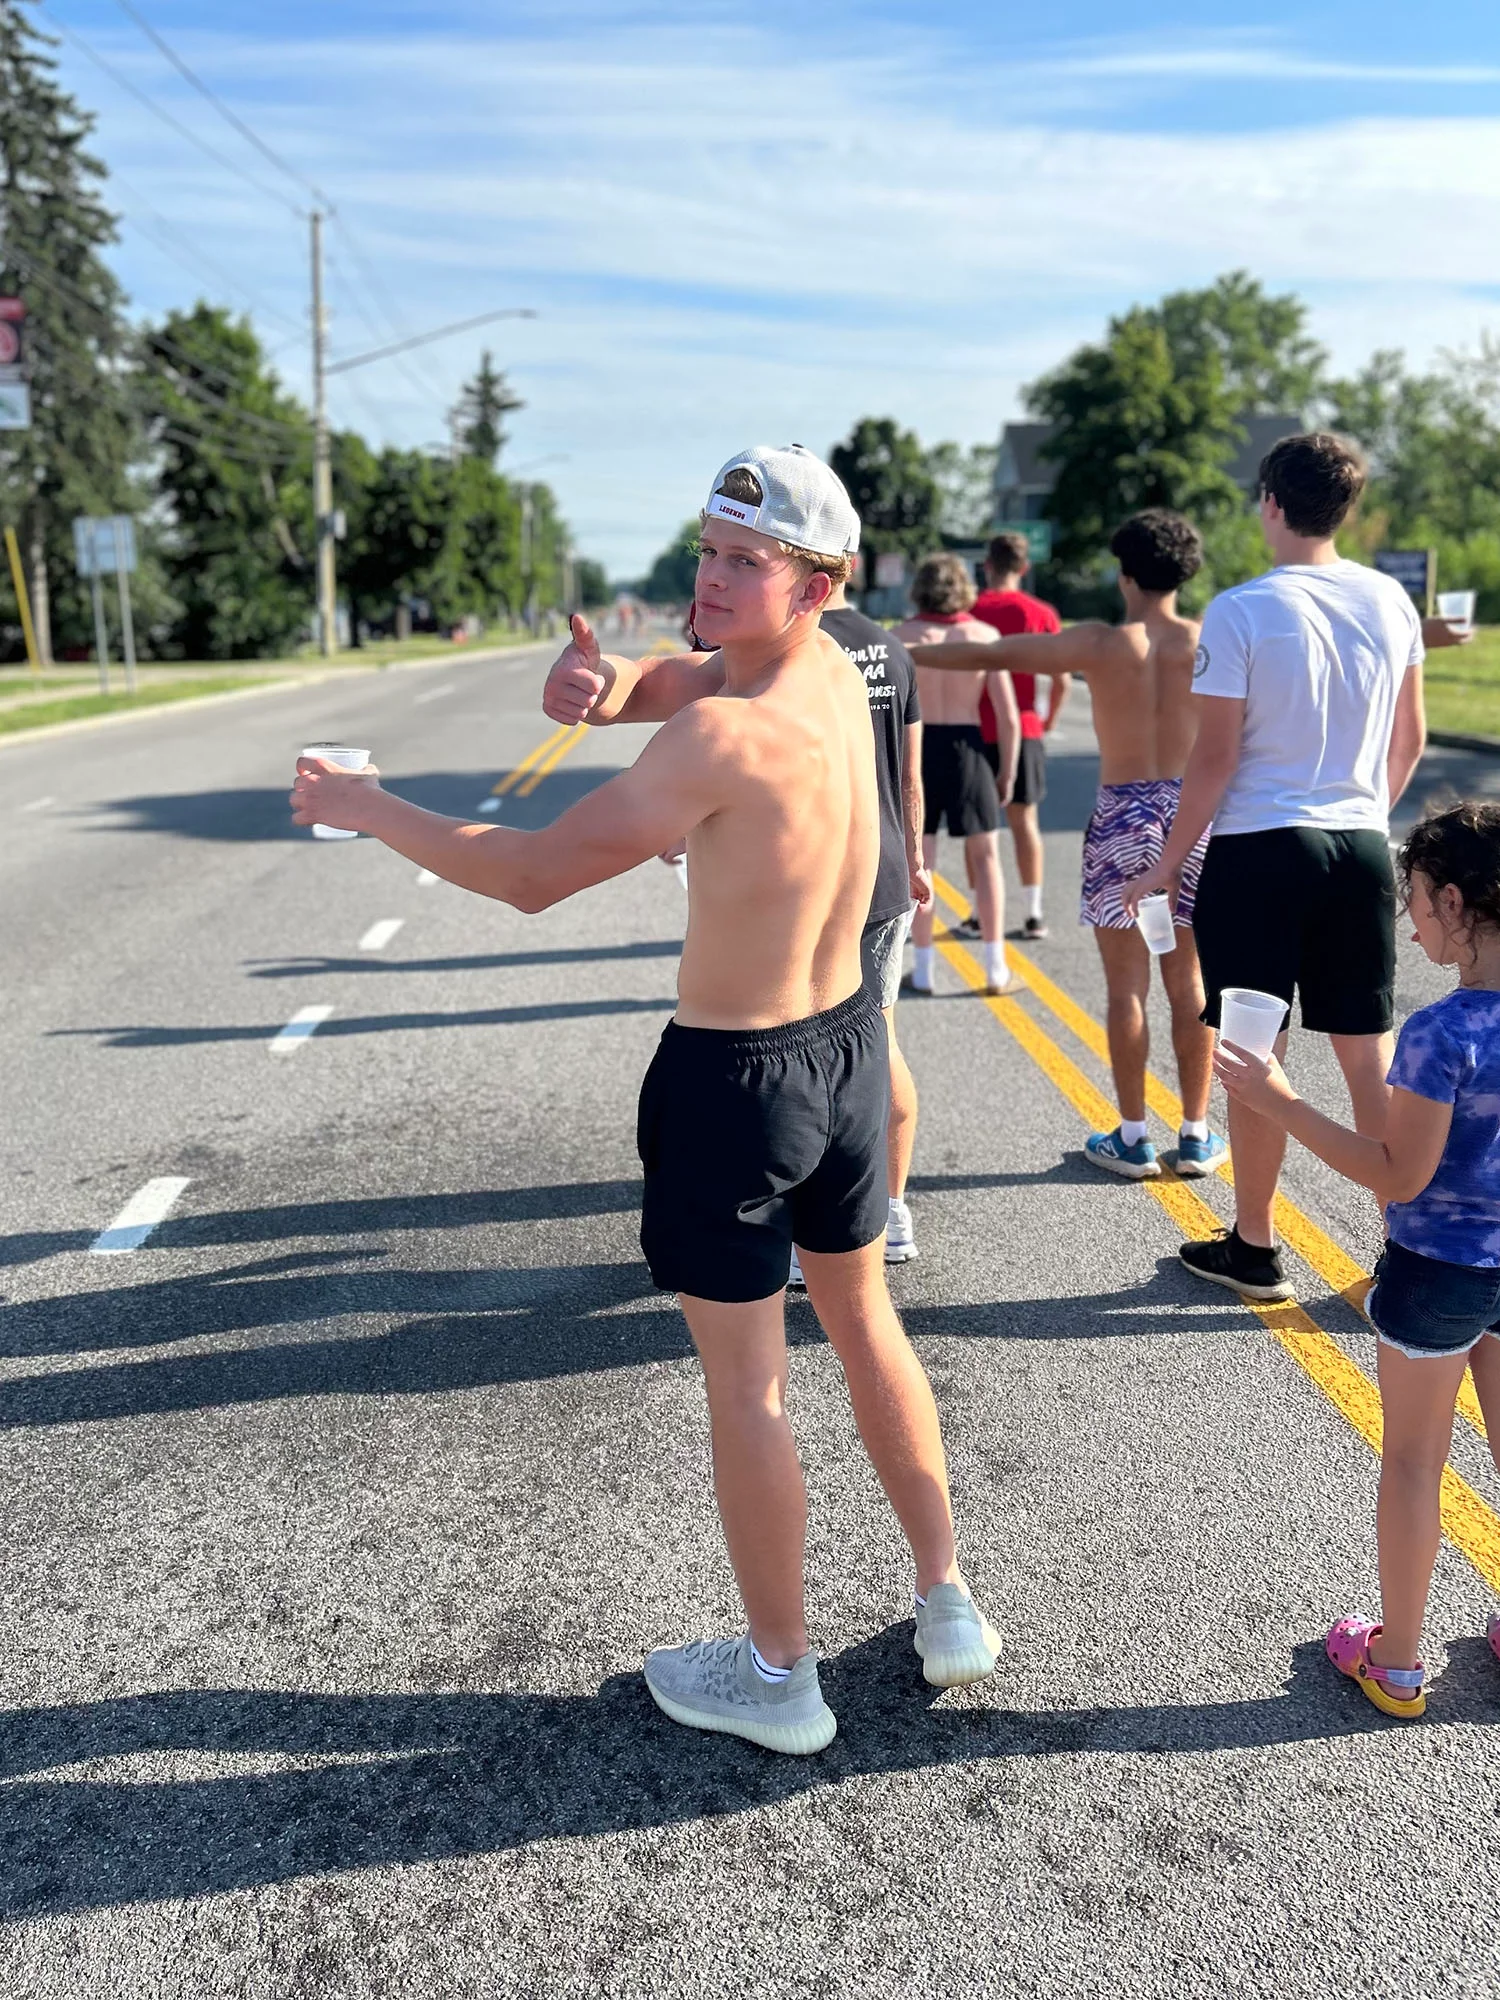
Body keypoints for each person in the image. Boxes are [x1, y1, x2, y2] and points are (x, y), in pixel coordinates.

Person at [293, 445, 1000, 1756]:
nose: (714, 579)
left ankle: (781, 1678)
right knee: (861, 1319)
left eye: (748, 562)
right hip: (846, 1045)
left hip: (737, 1080)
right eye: (709, 552)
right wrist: (604, 684)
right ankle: (942, 1593)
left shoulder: (723, 736)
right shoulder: (840, 680)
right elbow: (679, 673)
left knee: (750, 1391)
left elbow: (527, 874)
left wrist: (366, 803)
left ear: (816, 583)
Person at [1122, 432, 1428, 1302]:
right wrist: (1367, 811)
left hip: (1261, 847)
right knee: (1369, 1053)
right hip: (1362, 843)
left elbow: (1214, 759)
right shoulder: (1390, 601)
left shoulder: (1244, 608)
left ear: (1270, 502)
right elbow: (1410, 742)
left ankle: (1255, 1246)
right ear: (1348, 509)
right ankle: (1405, 1252)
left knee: (1257, 1051)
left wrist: (1166, 866)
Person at [1214, 802, 1500, 1718]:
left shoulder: (1440, 1035)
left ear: (1455, 902)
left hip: (1435, 1276)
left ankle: (1401, 1662)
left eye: (1414, 902)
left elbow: (1397, 1173)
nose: (1407, 922)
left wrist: (1279, 1099)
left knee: (1416, 1463)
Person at [905, 512, 1229, 1179]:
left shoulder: (1101, 644)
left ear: (1125, 574)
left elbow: (989, 654)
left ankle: (1135, 1136)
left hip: (1122, 813)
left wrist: (899, 651)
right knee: (1189, 979)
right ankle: (1196, 1135)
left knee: (1126, 987)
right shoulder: (1210, 643)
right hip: (1192, 815)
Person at [658, 573, 928, 1269]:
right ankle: (883, 1211)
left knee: (793, 1047)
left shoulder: (786, 651)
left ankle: (808, 1217)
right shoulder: (888, 650)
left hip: (811, 877)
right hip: (885, 863)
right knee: (874, 1045)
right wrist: (919, 860)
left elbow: (731, 747)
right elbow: (909, 778)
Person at [895, 552, 1021, 998]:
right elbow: (1008, 716)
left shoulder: (900, 638)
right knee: (987, 859)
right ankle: (995, 966)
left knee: (921, 861)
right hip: (969, 750)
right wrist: (1006, 770)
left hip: (919, 748)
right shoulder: (984, 636)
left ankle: (924, 968)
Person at [966, 532, 1071, 941]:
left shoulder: (971, 610)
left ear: (987, 565)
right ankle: (1033, 912)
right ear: (1024, 568)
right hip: (1025, 726)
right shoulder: (1041, 612)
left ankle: (977, 913)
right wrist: (1045, 723)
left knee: (978, 825)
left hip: (975, 727)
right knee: (1025, 821)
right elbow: (1060, 680)